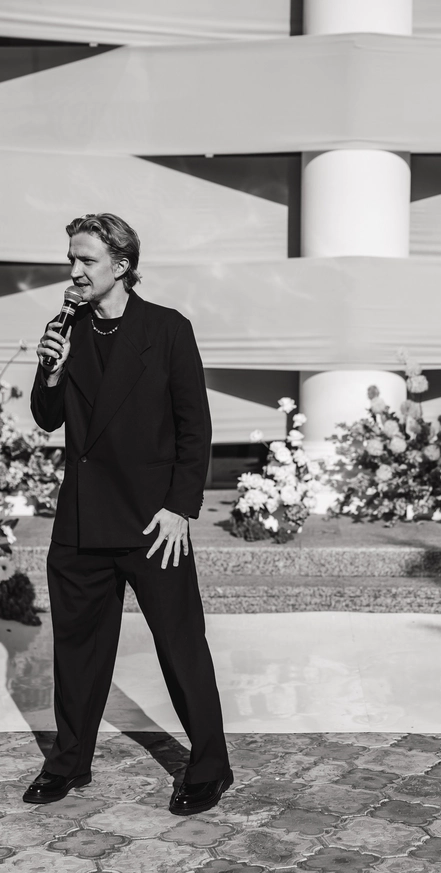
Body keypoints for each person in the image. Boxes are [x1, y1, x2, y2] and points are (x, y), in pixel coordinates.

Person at [24, 213, 232, 815]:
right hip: (82, 519)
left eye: (85, 260)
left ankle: (210, 767)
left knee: (181, 647)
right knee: (77, 651)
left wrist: (180, 507)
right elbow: (47, 418)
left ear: (121, 265)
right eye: (71, 258)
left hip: (152, 522)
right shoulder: (66, 327)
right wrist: (51, 369)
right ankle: (69, 761)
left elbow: (194, 426)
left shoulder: (166, 329)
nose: (73, 270)